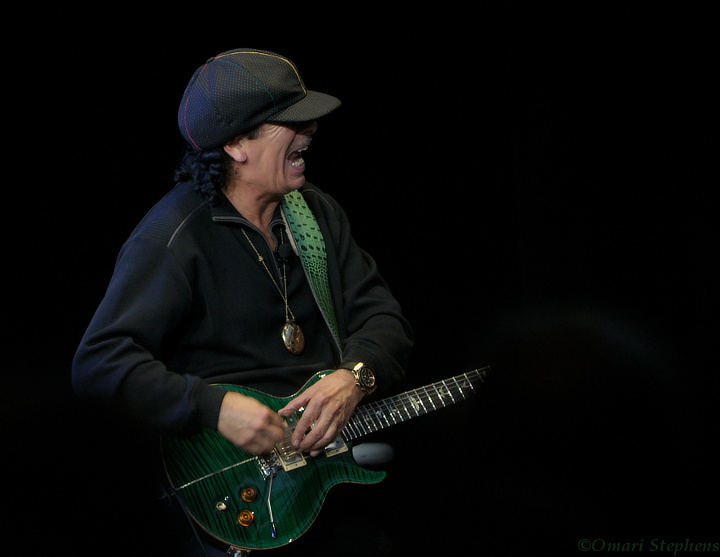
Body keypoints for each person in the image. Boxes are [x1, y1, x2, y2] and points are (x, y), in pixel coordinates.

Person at [71, 48, 413, 554]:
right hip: (236, 492)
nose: (311, 129)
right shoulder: (173, 236)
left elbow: (383, 317)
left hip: (324, 477)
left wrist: (354, 376)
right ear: (235, 144)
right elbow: (98, 363)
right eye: (289, 120)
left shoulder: (314, 212)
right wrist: (214, 407)